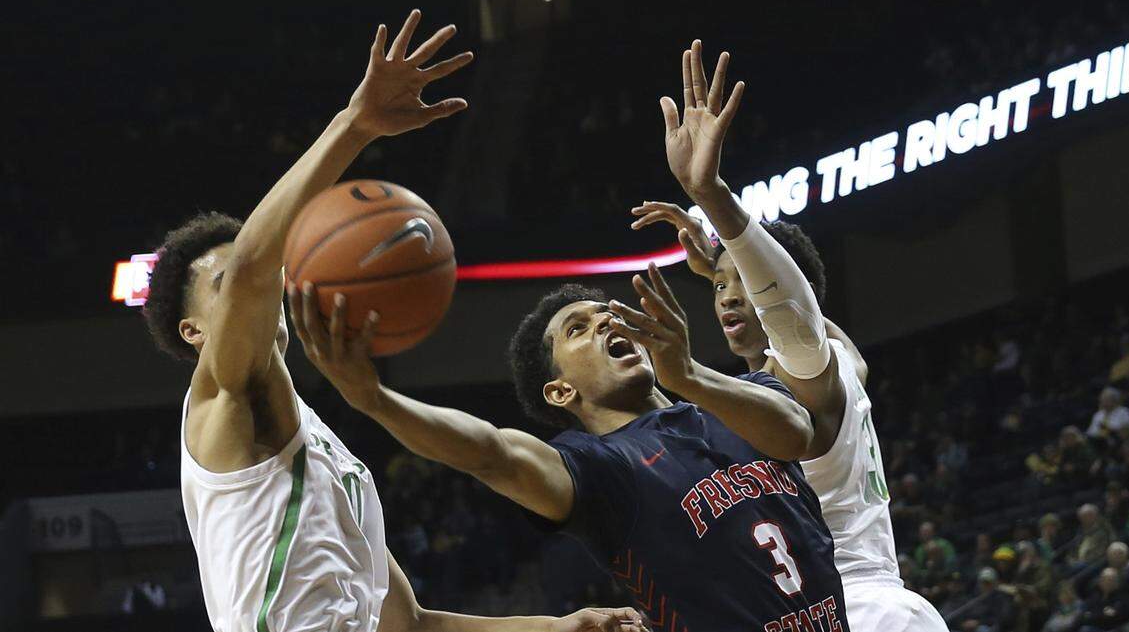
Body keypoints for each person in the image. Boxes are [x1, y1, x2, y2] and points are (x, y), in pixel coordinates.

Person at [288, 41, 850, 632]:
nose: (607, 320)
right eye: (577, 329)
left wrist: (689, 367)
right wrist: (373, 399)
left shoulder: (736, 401)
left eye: (606, 311)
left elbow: (796, 428)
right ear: (558, 393)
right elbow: (490, 452)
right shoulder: (598, 469)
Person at [143, 10, 646, 632]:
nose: (268, 280)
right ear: (195, 332)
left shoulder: (330, 455)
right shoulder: (220, 400)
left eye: (273, 271)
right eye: (226, 286)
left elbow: (410, 623)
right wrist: (354, 126)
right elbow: (250, 263)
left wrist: (561, 626)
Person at [628, 38, 948, 632]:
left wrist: (712, 197)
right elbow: (802, 308)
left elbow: (792, 310)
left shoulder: (801, 373)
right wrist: (720, 267)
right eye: (718, 288)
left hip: (861, 608)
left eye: (741, 285)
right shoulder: (843, 358)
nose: (724, 296)